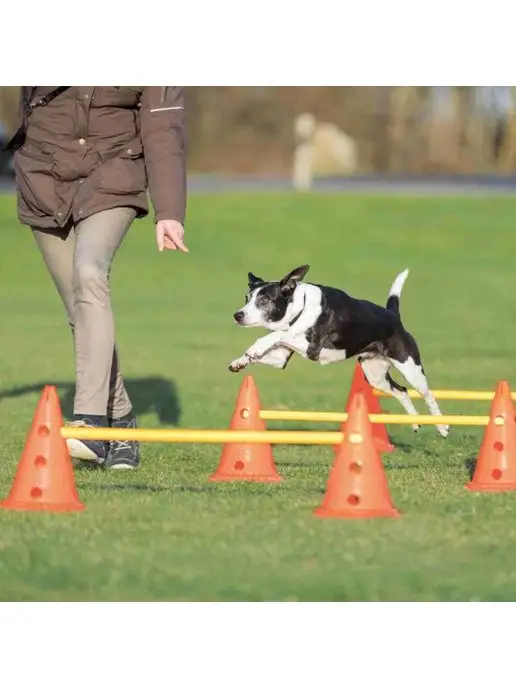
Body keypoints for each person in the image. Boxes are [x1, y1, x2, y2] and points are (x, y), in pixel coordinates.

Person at [10, 86, 188, 470]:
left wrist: (169, 210)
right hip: (44, 179)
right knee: (80, 310)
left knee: (89, 272)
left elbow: (163, 128)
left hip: (113, 175)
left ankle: (89, 424)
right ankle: (121, 422)